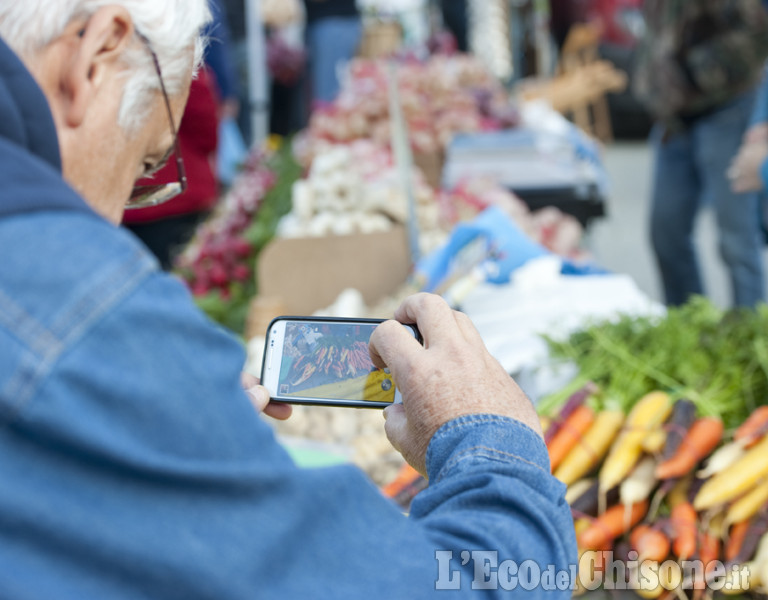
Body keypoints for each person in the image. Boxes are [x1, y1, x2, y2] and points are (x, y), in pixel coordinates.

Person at [0, 1, 575, 598]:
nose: (118, 215)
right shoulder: (80, 304)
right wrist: (492, 441)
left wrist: (163, 460)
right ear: (98, 56)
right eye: (145, 163)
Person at [634, 0, 768, 307]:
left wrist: (698, 71)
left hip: (727, 108)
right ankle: (690, 327)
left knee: (736, 238)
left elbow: (757, 32)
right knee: (666, 232)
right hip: (674, 115)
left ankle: (747, 340)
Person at [122, 67, 220, 270]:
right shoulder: (170, 50)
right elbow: (205, 129)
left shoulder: (91, 54)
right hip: (175, 196)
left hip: (118, 201)